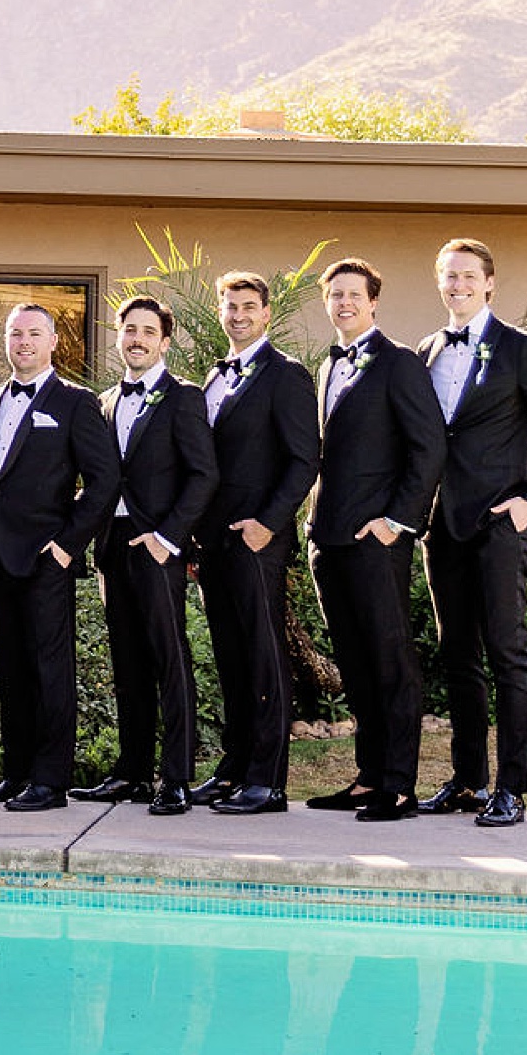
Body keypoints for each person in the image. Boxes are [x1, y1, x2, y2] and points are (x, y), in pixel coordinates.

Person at [416, 237, 527, 829]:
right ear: (440, 284)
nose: (458, 284)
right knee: (458, 657)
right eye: (449, 276)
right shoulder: (427, 350)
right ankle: (467, 781)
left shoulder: (520, 349)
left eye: (468, 275)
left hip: (499, 525)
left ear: (489, 283)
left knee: (507, 656)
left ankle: (510, 789)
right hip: (441, 528)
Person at [306, 257, 445, 822]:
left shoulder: (399, 363)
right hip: (328, 537)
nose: (344, 303)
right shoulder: (325, 367)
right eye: (335, 295)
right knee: (356, 662)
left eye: (353, 294)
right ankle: (368, 777)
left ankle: (399, 784)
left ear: (373, 301)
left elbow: (428, 447)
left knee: (390, 660)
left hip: (376, 539)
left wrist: (397, 520)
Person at [0, 301, 119, 811]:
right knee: (10, 669)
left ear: (54, 342)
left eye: (34, 333)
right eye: (15, 334)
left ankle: (50, 782)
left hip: (46, 560)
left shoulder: (77, 403)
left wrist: (67, 545)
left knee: (50, 671)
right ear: (5, 342)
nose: (24, 342)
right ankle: (17, 774)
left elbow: (104, 482)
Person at [75, 297, 218, 816]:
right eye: (128, 329)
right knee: (127, 663)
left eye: (147, 331)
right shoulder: (105, 401)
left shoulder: (184, 398)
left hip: (159, 548)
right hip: (113, 548)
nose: (136, 338)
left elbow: (204, 474)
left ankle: (176, 777)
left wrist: (169, 537)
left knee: (168, 661)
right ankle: (132, 773)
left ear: (164, 340)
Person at [191, 270, 320, 817]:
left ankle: (267, 782)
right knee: (231, 658)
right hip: (214, 543)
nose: (239, 315)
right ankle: (234, 768)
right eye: (230, 306)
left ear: (266, 313)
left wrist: (267, 523)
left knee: (264, 659)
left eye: (248, 306)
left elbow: (303, 458)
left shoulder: (285, 375)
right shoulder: (213, 380)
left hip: (257, 541)